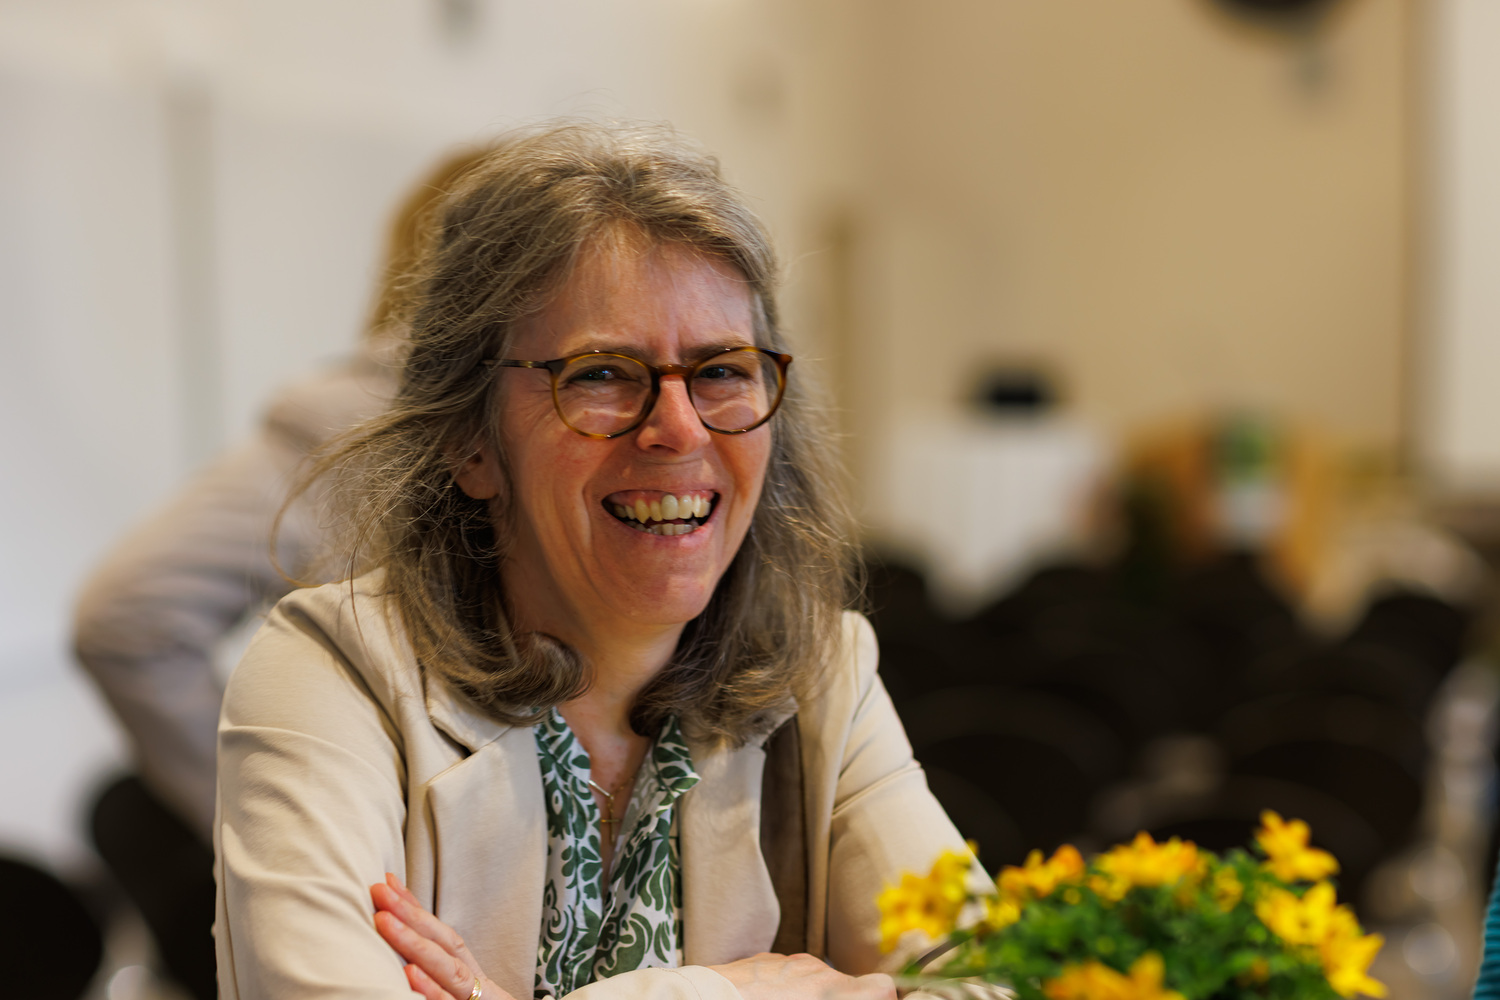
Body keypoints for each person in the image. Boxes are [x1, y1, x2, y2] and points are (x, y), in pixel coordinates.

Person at [214, 122, 975, 1000]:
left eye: (721, 370)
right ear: (470, 441)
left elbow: (994, 984)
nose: (679, 428)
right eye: (603, 374)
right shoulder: (333, 673)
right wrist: (731, 993)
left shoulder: (823, 676)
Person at [73, 147, 488, 1000]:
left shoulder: (341, 420)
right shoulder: (354, 425)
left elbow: (126, 615)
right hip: (410, 896)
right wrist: (270, 809)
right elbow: (123, 617)